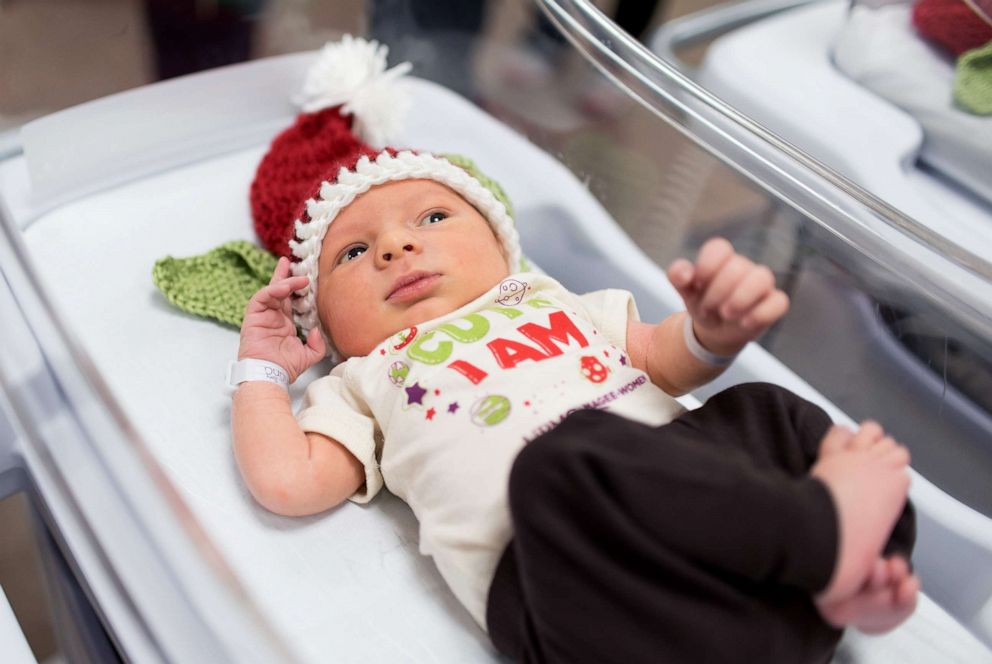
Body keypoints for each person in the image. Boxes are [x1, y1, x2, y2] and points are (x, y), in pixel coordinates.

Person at [230, 37, 918, 662]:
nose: (395, 246)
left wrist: (711, 333)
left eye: (433, 217)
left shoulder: (551, 301)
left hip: (735, 594)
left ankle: (840, 578)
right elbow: (289, 484)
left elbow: (665, 361)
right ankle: (818, 534)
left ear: (502, 245)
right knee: (562, 460)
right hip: (576, 588)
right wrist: (263, 367)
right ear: (325, 318)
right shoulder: (363, 378)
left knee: (767, 412)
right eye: (353, 252)